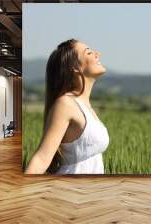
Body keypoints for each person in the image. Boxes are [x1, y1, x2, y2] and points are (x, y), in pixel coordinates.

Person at [24, 39, 109, 174]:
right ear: (74, 68)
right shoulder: (65, 104)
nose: (97, 54)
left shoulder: (87, 107)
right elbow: (42, 157)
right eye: (89, 53)